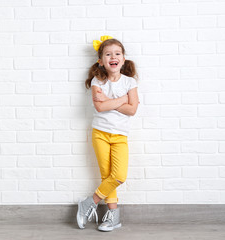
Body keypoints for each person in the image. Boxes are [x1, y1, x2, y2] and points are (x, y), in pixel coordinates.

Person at [77, 36, 139, 232]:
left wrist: (111, 101)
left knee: (119, 176)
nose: (113, 57)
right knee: (106, 176)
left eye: (117, 53)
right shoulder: (98, 81)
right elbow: (100, 107)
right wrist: (123, 100)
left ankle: (90, 202)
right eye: (108, 54)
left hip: (120, 136)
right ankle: (113, 217)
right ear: (101, 60)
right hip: (100, 134)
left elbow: (133, 110)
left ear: (123, 58)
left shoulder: (130, 82)